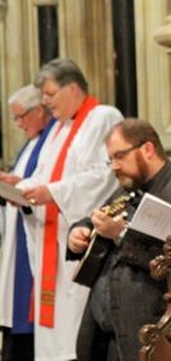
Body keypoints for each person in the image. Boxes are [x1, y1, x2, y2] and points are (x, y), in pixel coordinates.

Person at [17, 58, 123, 361]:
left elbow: (105, 175)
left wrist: (53, 192)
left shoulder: (102, 117)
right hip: (54, 233)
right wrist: (22, 187)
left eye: (50, 94)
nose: (45, 102)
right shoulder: (58, 128)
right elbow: (46, 175)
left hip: (78, 236)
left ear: (73, 88)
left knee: (77, 328)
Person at [66, 119, 171, 361]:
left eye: (119, 156)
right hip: (106, 337)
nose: (114, 166)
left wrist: (120, 234)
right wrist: (78, 232)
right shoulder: (128, 189)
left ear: (148, 149)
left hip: (147, 332)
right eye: (110, 159)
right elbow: (94, 219)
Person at [0, 84, 56, 361]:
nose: (19, 124)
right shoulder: (33, 142)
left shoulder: (52, 140)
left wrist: (21, 186)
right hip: (19, 232)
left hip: (39, 235)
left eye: (22, 117)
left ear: (39, 110)